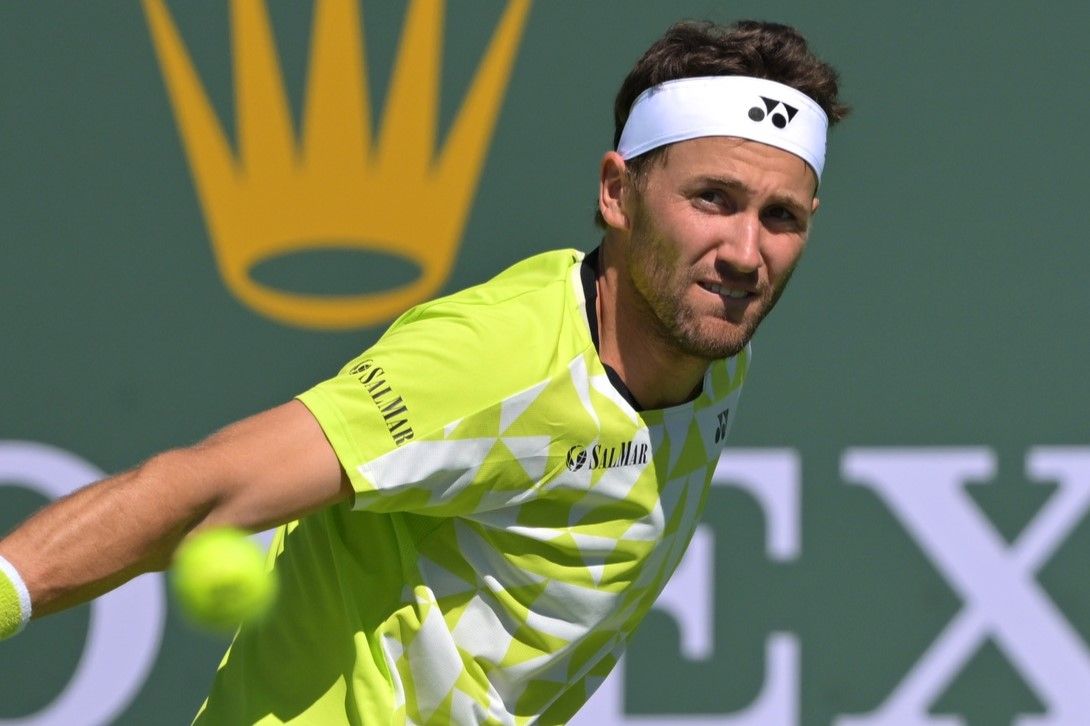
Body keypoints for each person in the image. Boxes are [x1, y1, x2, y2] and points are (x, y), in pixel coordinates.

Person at [0, 18, 848, 725]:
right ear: (617, 194)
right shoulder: (494, 361)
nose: (745, 252)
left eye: (780, 217)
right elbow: (203, 489)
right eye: (712, 199)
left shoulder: (711, 339)